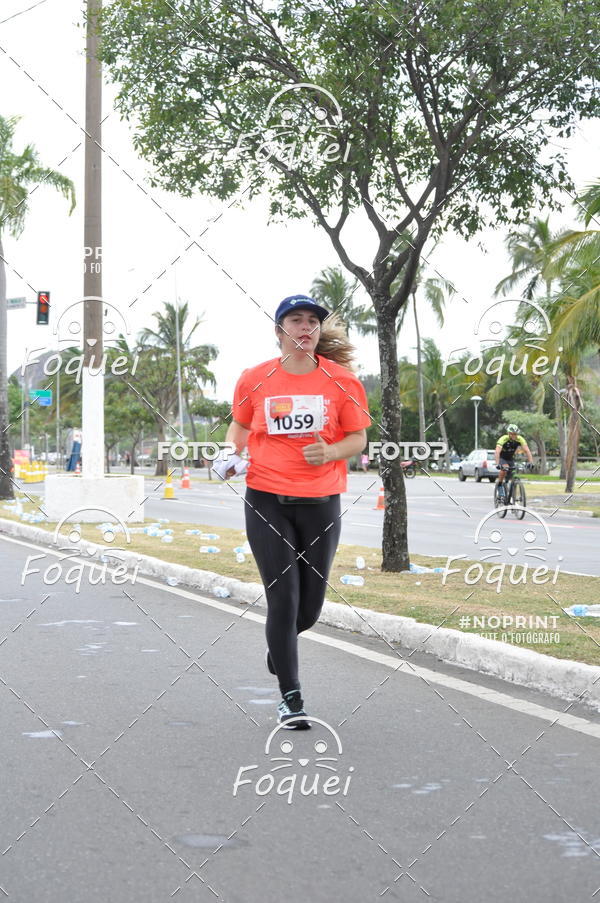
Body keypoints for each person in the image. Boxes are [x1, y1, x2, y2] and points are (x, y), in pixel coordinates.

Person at [213, 295, 371, 729]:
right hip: (266, 498)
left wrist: (332, 450)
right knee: (283, 600)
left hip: (321, 502)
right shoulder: (254, 379)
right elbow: (240, 427)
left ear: (319, 331)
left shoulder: (341, 382)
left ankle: (278, 649)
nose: (305, 327)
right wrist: (229, 453)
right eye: (295, 320)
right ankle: (291, 697)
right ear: (279, 331)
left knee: (310, 609)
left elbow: (357, 440)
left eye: (312, 322)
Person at [494, 424, 534, 495]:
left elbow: (527, 450)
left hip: (510, 458)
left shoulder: (520, 439)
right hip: (502, 457)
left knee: (511, 472)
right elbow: (497, 451)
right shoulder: (503, 439)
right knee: (505, 468)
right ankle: (500, 485)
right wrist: (497, 464)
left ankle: (506, 484)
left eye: (515, 434)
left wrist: (531, 462)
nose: (514, 436)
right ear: (508, 433)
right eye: (512, 434)